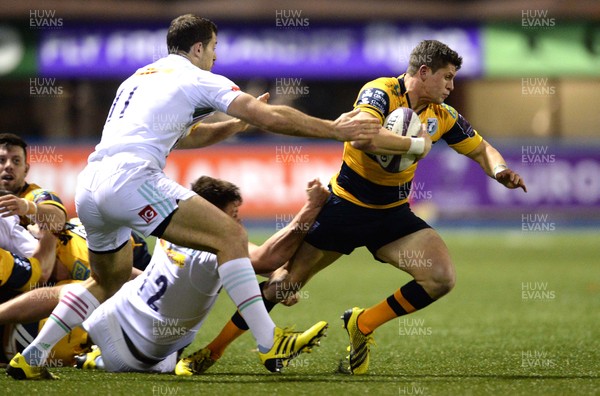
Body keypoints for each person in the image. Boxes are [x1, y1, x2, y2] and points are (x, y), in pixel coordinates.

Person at [6, 14, 379, 380]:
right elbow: (269, 116)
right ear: (198, 47)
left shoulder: (136, 79)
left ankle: (32, 354)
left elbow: (186, 137)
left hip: (90, 184)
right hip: (132, 178)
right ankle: (269, 343)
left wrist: (234, 126)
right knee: (230, 237)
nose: (216, 57)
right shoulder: (197, 78)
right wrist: (334, 129)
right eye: (214, 48)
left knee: (108, 280)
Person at [193, 39, 528, 375]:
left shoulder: (442, 115)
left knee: (440, 278)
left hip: (392, 215)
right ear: (424, 72)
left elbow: (481, 149)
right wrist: (416, 145)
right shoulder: (380, 92)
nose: (452, 86)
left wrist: (500, 171)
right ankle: (212, 350)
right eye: (447, 77)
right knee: (286, 285)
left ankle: (363, 323)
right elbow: (360, 136)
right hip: (344, 209)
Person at [73, 176, 329, 374]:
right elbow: (266, 258)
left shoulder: (173, 228)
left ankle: (82, 352)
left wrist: (277, 277)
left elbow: (262, 262)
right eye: (233, 216)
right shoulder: (213, 250)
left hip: (108, 319)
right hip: (144, 354)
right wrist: (312, 206)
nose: (238, 225)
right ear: (212, 215)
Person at [0, 133, 67, 234]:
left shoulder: (37, 195)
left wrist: (28, 207)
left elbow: (59, 220)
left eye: (16, 161)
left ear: (26, 170)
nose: (9, 166)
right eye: (1, 160)